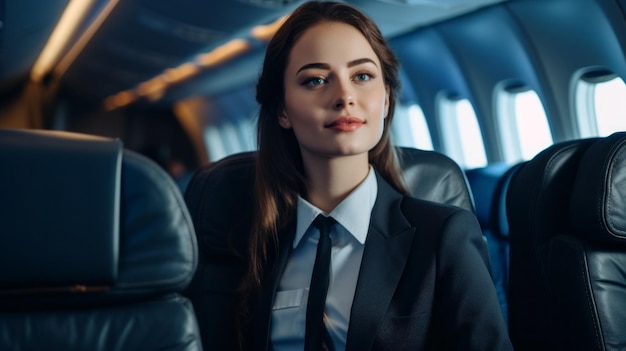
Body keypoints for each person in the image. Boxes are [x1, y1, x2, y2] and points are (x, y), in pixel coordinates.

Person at [193, 1, 513, 350]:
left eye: (362, 76)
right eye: (315, 80)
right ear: (282, 110)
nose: (345, 97)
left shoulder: (443, 236)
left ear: (387, 99)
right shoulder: (252, 240)